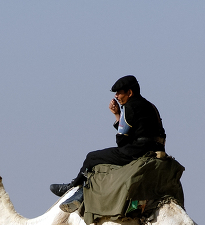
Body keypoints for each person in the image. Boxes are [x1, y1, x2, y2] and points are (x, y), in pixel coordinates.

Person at [50, 75, 166, 212]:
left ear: (129, 93)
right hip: (156, 149)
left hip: (136, 152)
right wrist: (118, 115)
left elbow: (121, 141)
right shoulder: (151, 106)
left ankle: (74, 186)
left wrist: (119, 115)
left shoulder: (129, 107)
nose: (116, 96)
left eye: (119, 93)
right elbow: (138, 133)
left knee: (92, 157)